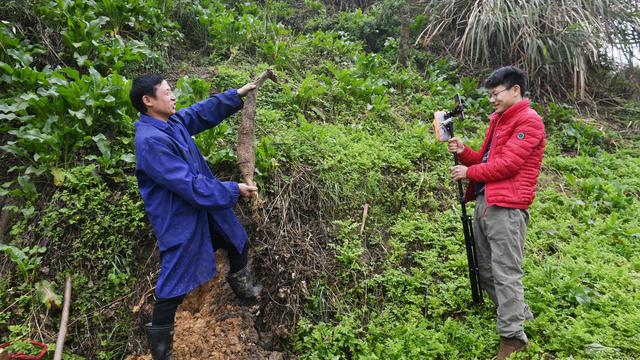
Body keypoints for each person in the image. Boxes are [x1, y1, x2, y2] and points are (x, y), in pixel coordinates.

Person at [130, 74, 261, 360]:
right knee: (173, 285)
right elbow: (188, 185)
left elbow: (199, 113)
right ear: (148, 101)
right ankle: (161, 350)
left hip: (204, 205)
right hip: (181, 218)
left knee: (237, 240)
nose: (173, 96)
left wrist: (235, 95)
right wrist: (232, 190)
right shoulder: (150, 141)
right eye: (167, 92)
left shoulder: (171, 122)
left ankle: (244, 292)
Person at [448, 66, 546, 360]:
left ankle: (513, 337)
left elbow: (507, 166)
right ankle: (519, 315)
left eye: (495, 93)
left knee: (505, 272)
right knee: (487, 269)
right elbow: (486, 161)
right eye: (490, 94)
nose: (492, 99)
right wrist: (465, 152)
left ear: (515, 90)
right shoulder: (500, 121)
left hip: (507, 208)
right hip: (486, 203)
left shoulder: (529, 121)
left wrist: (469, 171)